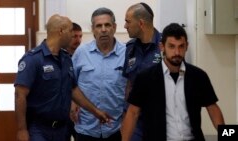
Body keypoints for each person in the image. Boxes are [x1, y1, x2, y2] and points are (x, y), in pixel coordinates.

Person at [14, 14, 112, 141]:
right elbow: (19, 95)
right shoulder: (33, 59)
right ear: (61, 31)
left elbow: (73, 90)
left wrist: (96, 112)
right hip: (39, 130)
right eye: (71, 31)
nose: (73, 35)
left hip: (62, 130)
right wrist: (22, 129)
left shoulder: (66, 58)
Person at [121, 23, 225, 141]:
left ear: (187, 46)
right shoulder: (145, 78)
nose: (177, 52)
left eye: (181, 46)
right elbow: (132, 113)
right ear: (162, 47)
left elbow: (213, 109)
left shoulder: (198, 77)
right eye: (171, 46)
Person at [71, 7, 127, 141]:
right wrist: (72, 103)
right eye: (99, 26)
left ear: (114, 27)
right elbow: (70, 83)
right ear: (92, 29)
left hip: (116, 129)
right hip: (86, 128)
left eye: (107, 25)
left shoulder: (127, 53)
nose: (103, 29)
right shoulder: (81, 52)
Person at [122, 2, 162, 141]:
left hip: (159, 120)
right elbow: (129, 84)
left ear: (140, 23)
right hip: (135, 121)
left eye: (128, 21)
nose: (125, 26)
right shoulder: (130, 47)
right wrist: (125, 114)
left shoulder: (165, 46)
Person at [65, 22, 83, 141]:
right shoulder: (59, 57)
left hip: (80, 110)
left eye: (80, 36)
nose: (78, 40)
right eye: (74, 36)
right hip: (62, 110)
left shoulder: (84, 56)